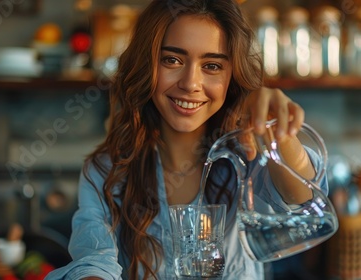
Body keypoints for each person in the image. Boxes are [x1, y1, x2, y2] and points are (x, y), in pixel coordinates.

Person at [45, 0, 328, 279]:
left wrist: (275, 130)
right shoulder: (107, 170)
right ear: (146, 66)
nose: (190, 83)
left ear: (232, 76)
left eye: (212, 66)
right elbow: (95, 261)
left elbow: (304, 201)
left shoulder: (250, 156)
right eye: (172, 60)